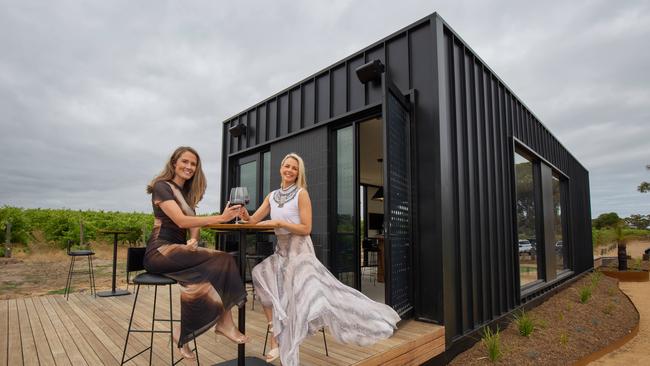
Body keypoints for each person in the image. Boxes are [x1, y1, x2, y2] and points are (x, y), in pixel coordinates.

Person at [241, 153, 400, 365]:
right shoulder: (272, 196)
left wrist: (280, 223)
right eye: (286, 166)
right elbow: (253, 221)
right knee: (259, 274)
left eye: (294, 168)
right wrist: (245, 215)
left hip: (300, 253)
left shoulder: (301, 194)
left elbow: (306, 228)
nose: (289, 170)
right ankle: (274, 331)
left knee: (291, 295)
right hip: (282, 253)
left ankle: (277, 341)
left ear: (298, 173)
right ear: (280, 168)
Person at [144, 146, 249, 359]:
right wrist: (220, 218)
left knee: (211, 272)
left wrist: (193, 240)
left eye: (193, 164)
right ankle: (224, 323)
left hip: (178, 251)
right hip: (160, 251)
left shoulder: (185, 194)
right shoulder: (162, 187)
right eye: (185, 162)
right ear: (174, 163)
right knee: (224, 259)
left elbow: (193, 225)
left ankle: (183, 332)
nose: (189, 167)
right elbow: (181, 220)